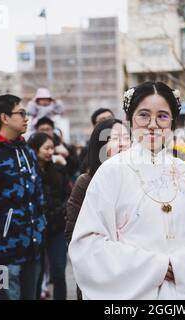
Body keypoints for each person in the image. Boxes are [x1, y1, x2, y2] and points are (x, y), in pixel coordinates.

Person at [68, 81, 185, 299]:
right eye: (144, 115)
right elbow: (89, 243)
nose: (153, 125)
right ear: (130, 119)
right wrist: (156, 267)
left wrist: (181, 264)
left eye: (162, 116)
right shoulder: (110, 172)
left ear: (173, 121)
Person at [0, 94, 46, 300]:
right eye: (21, 113)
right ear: (4, 117)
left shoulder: (27, 152)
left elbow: (38, 195)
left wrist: (41, 227)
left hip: (32, 248)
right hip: (2, 253)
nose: (26, 118)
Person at [65, 118, 130, 300]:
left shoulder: (139, 181)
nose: (124, 143)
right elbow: (73, 234)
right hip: (98, 276)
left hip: (136, 273)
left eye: (127, 137)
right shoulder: (86, 183)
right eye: (116, 138)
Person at [28, 133, 71, 300]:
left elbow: (68, 195)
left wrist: (61, 210)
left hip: (57, 228)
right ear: (35, 149)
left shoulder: (58, 170)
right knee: (36, 274)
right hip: (35, 228)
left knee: (59, 272)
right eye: (46, 148)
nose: (50, 152)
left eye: (52, 148)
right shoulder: (28, 172)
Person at [78, 108, 115, 173]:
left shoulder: (124, 144)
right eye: (102, 120)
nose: (108, 122)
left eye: (110, 118)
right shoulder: (87, 150)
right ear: (94, 126)